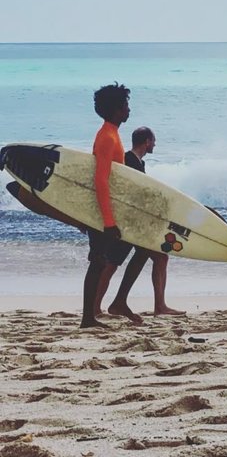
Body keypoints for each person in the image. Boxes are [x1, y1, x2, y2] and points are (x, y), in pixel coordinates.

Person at [94, 127, 185, 324]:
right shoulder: (129, 161)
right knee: (115, 263)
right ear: (146, 141)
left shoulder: (137, 162)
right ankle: (157, 306)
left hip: (130, 223)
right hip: (127, 225)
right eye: (153, 141)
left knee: (118, 262)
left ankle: (110, 304)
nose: (155, 144)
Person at [81, 82, 130, 329]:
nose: (128, 110)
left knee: (99, 261)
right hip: (103, 213)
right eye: (125, 105)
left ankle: (89, 317)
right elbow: (101, 180)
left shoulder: (111, 132)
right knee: (98, 261)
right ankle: (87, 318)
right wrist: (109, 222)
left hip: (105, 211)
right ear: (116, 110)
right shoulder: (107, 137)